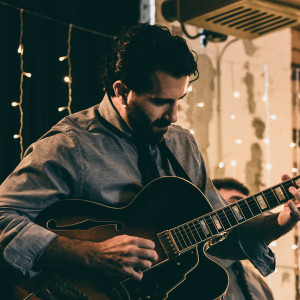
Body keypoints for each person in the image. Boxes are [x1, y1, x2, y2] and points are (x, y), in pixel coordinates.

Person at [0, 23, 299, 299]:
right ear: (121, 91)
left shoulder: (181, 144)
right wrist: (92, 254)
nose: (174, 116)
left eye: (179, 99)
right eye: (160, 102)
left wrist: (280, 221)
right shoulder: (70, 145)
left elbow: (221, 231)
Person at [213, 178, 274, 300]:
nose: (246, 216)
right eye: (234, 204)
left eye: (249, 210)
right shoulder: (187, 274)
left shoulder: (261, 286)